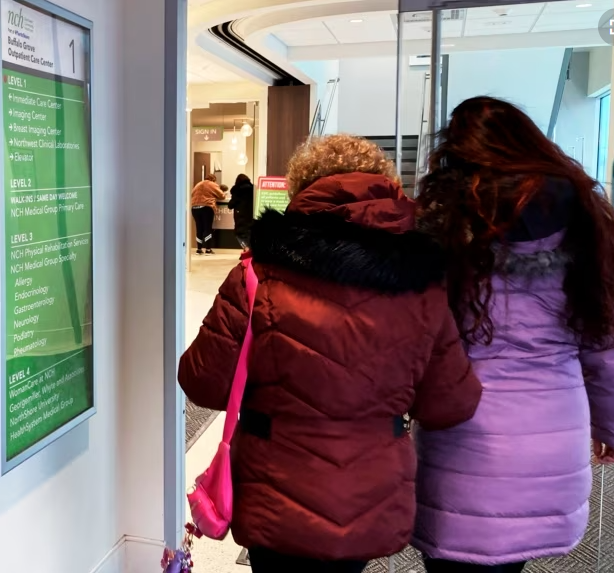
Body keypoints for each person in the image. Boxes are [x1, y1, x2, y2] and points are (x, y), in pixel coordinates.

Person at [178, 134, 483, 573]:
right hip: (370, 490)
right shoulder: (422, 283)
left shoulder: (258, 273)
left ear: (300, 190)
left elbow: (202, 380)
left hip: (275, 491)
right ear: (387, 188)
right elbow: (452, 404)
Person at [413, 96, 614, 573]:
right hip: (552, 429)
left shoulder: (444, 224)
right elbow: (609, 349)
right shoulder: (584, 218)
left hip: (461, 431)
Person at [191, 173, 226, 254]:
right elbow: (222, 196)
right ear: (213, 179)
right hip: (206, 207)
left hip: (195, 208)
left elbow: (192, 194)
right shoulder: (213, 184)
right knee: (207, 228)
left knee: (199, 228)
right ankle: (208, 249)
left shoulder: (198, 184)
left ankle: (199, 249)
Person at [229, 173, 255, 250]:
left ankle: (247, 250)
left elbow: (231, 204)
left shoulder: (237, 190)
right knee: (249, 233)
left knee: (239, 234)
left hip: (240, 215)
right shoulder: (253, 188)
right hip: (251, 215)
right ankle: (249, 251)